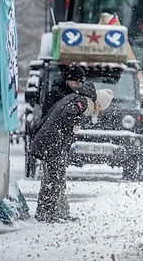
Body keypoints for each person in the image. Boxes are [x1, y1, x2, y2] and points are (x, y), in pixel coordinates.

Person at [32, 82, 112, 222]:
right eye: (100, 108)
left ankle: (56, 212)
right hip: (52, 144)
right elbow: (68, 115)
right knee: (54, 180)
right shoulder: (84, 102)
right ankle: (48, 214)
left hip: (52, 144)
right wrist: (80, 121)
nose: (98, 111)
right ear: (98, 103)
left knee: (56, 179)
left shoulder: (78, 98)